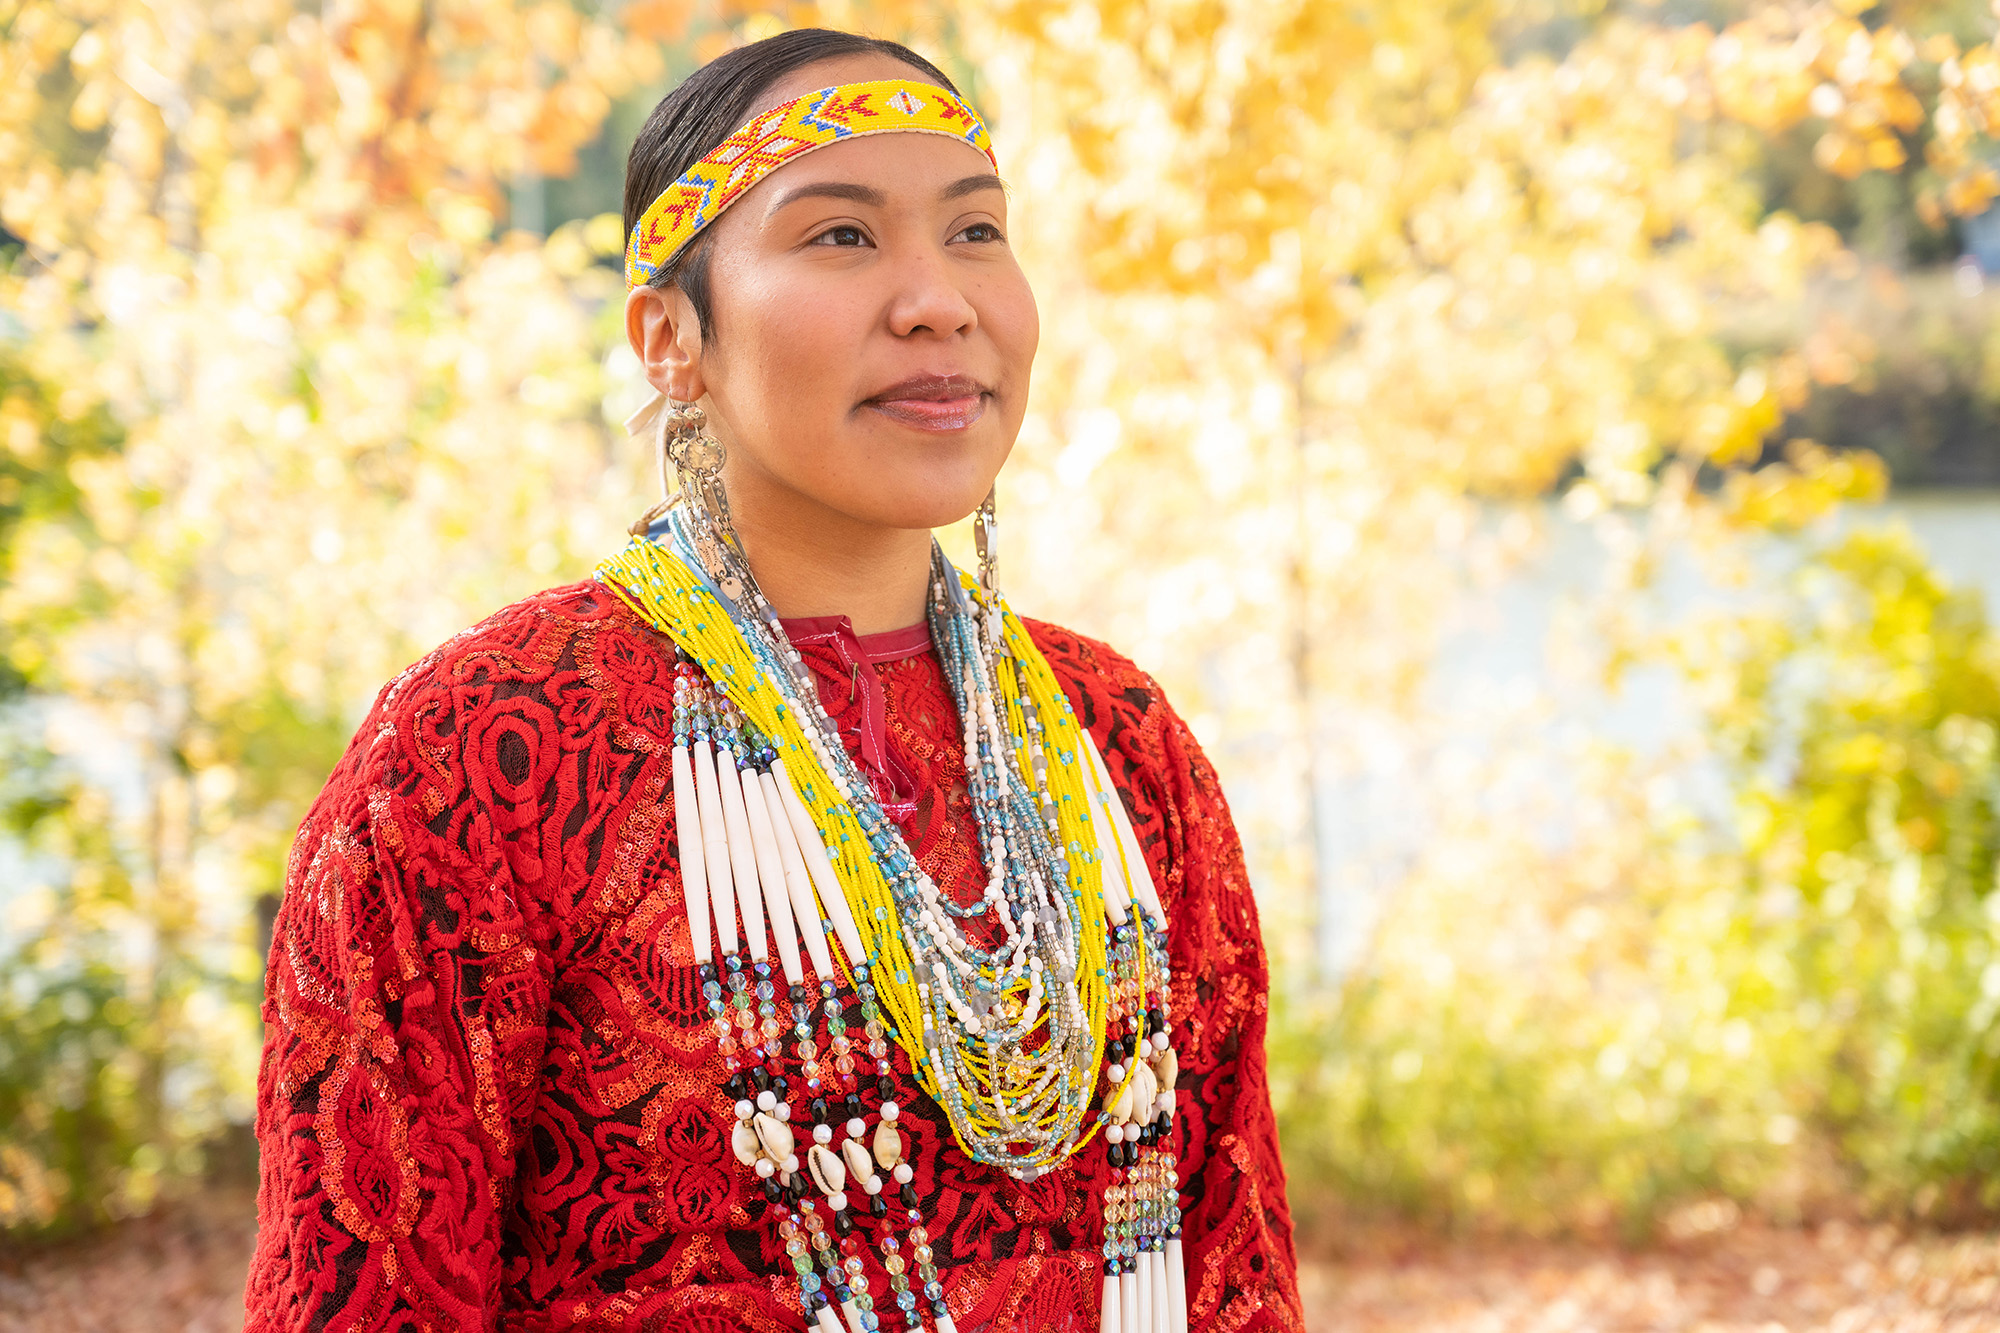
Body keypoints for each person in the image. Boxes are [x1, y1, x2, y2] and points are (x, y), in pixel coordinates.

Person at [243, 28, 1301, 1333]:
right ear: (670, 337)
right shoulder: (489, 744)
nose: (938, 299)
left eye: (977, 232)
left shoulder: (1117, 744)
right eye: (842, 238)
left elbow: (1233, 1273)